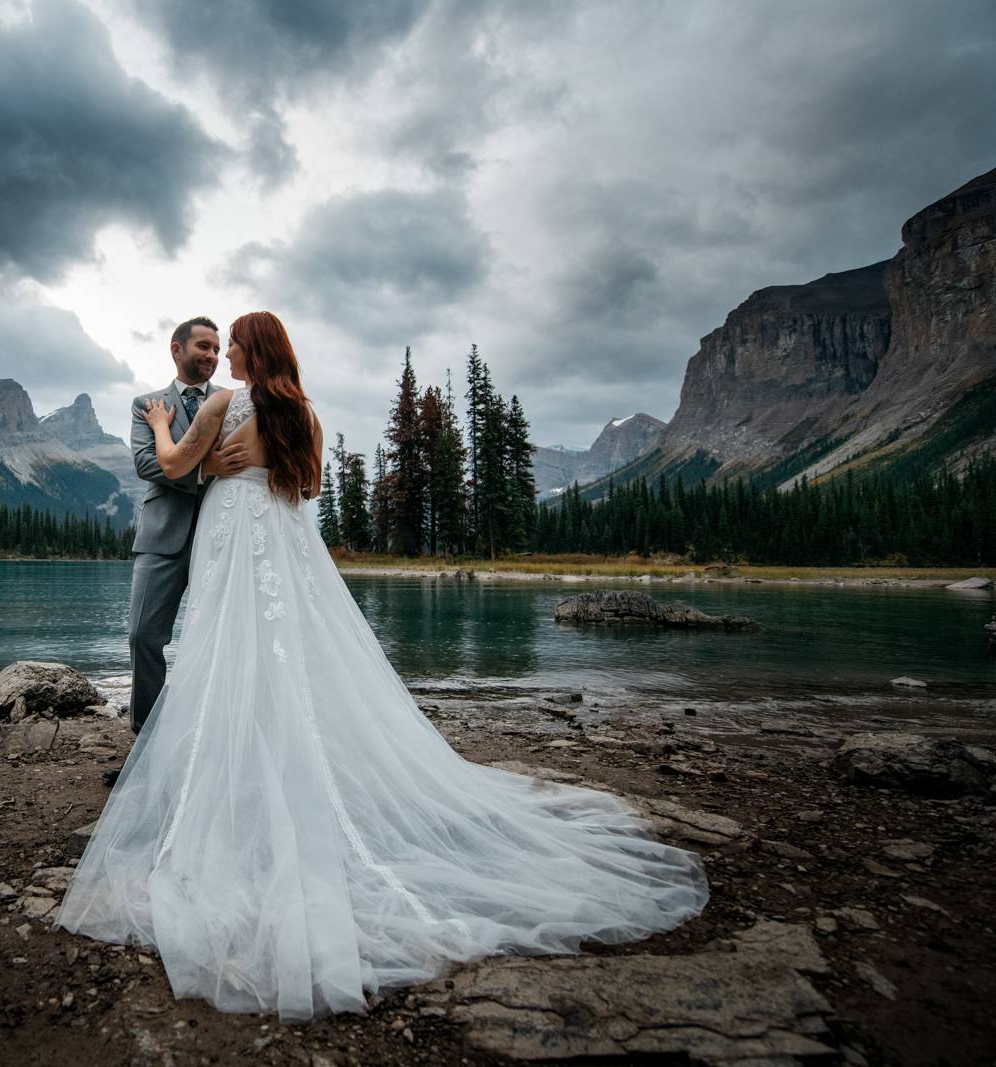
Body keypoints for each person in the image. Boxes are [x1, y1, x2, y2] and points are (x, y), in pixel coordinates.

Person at [57, 311, 709, 1021]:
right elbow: (306, 492)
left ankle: (228, 774)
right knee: (277, 656)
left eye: (233, 343)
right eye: (215, 345)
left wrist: (163, 428)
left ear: (248, 350)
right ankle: (271, 763)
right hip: (274, 544)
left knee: (227, 653)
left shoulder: (221, 401)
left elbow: (179, 465)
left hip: (228, 543)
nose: (226, 353)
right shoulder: (300, 411)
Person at [105, 317, 248, 787]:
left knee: (220, 643)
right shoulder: (147, 404)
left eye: (216, 349)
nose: (211, 356)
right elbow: (148, 464)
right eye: (202, 347)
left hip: (222, 533)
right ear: (176, 349)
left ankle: (212, 749)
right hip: (161, 539)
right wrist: (207, 467)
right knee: (143, 636)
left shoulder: (232, 402)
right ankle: (145, 747)